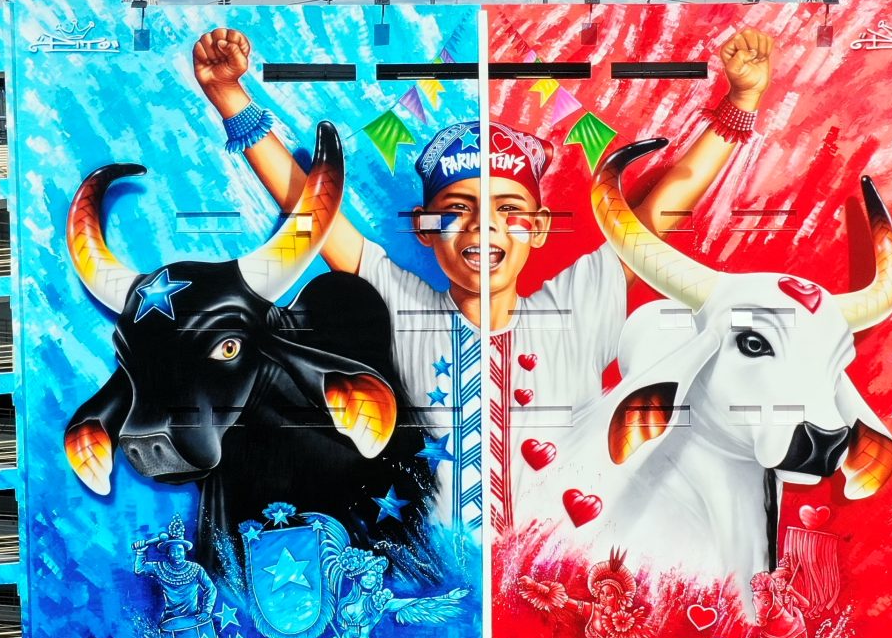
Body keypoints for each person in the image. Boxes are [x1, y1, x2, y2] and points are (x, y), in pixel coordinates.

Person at [194, 26, 774, 528]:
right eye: (458, 210)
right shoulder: (400, 304)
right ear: (424, 230)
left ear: (540, 228)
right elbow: (314, 212)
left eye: (509, 211)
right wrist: (229, 96)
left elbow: (662, 209)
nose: (483, 230)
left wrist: (741, 101)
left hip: (558, 580)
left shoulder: (579, 305)